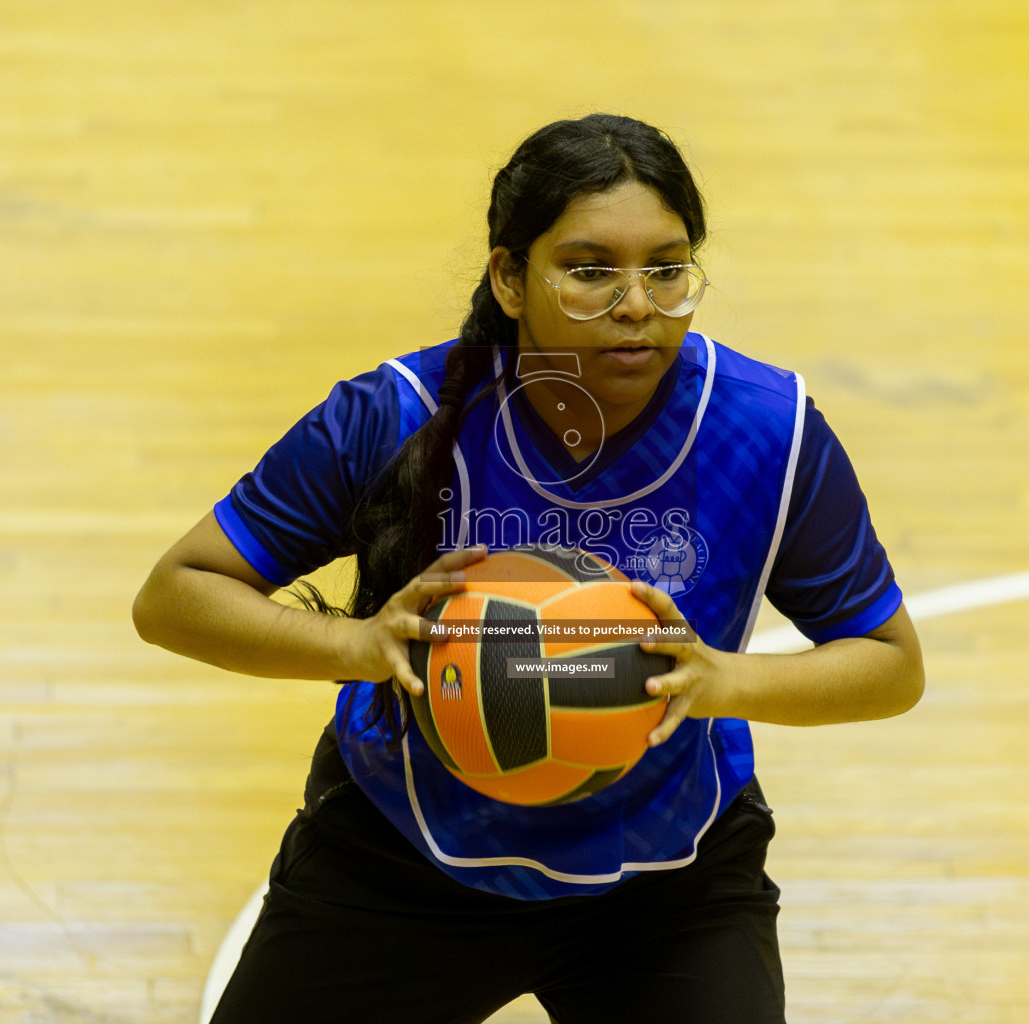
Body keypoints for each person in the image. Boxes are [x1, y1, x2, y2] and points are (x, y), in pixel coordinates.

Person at [133, 113, 924, 1024]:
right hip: (401, 860)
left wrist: (718, 679)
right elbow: (175, 597)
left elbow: (891, 664)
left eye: (667, 268)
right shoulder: (395, 415)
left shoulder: (769, 429)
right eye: (591, 270)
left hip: (667, 887)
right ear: (510, 278)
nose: (637, 303)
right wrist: (357, 647)